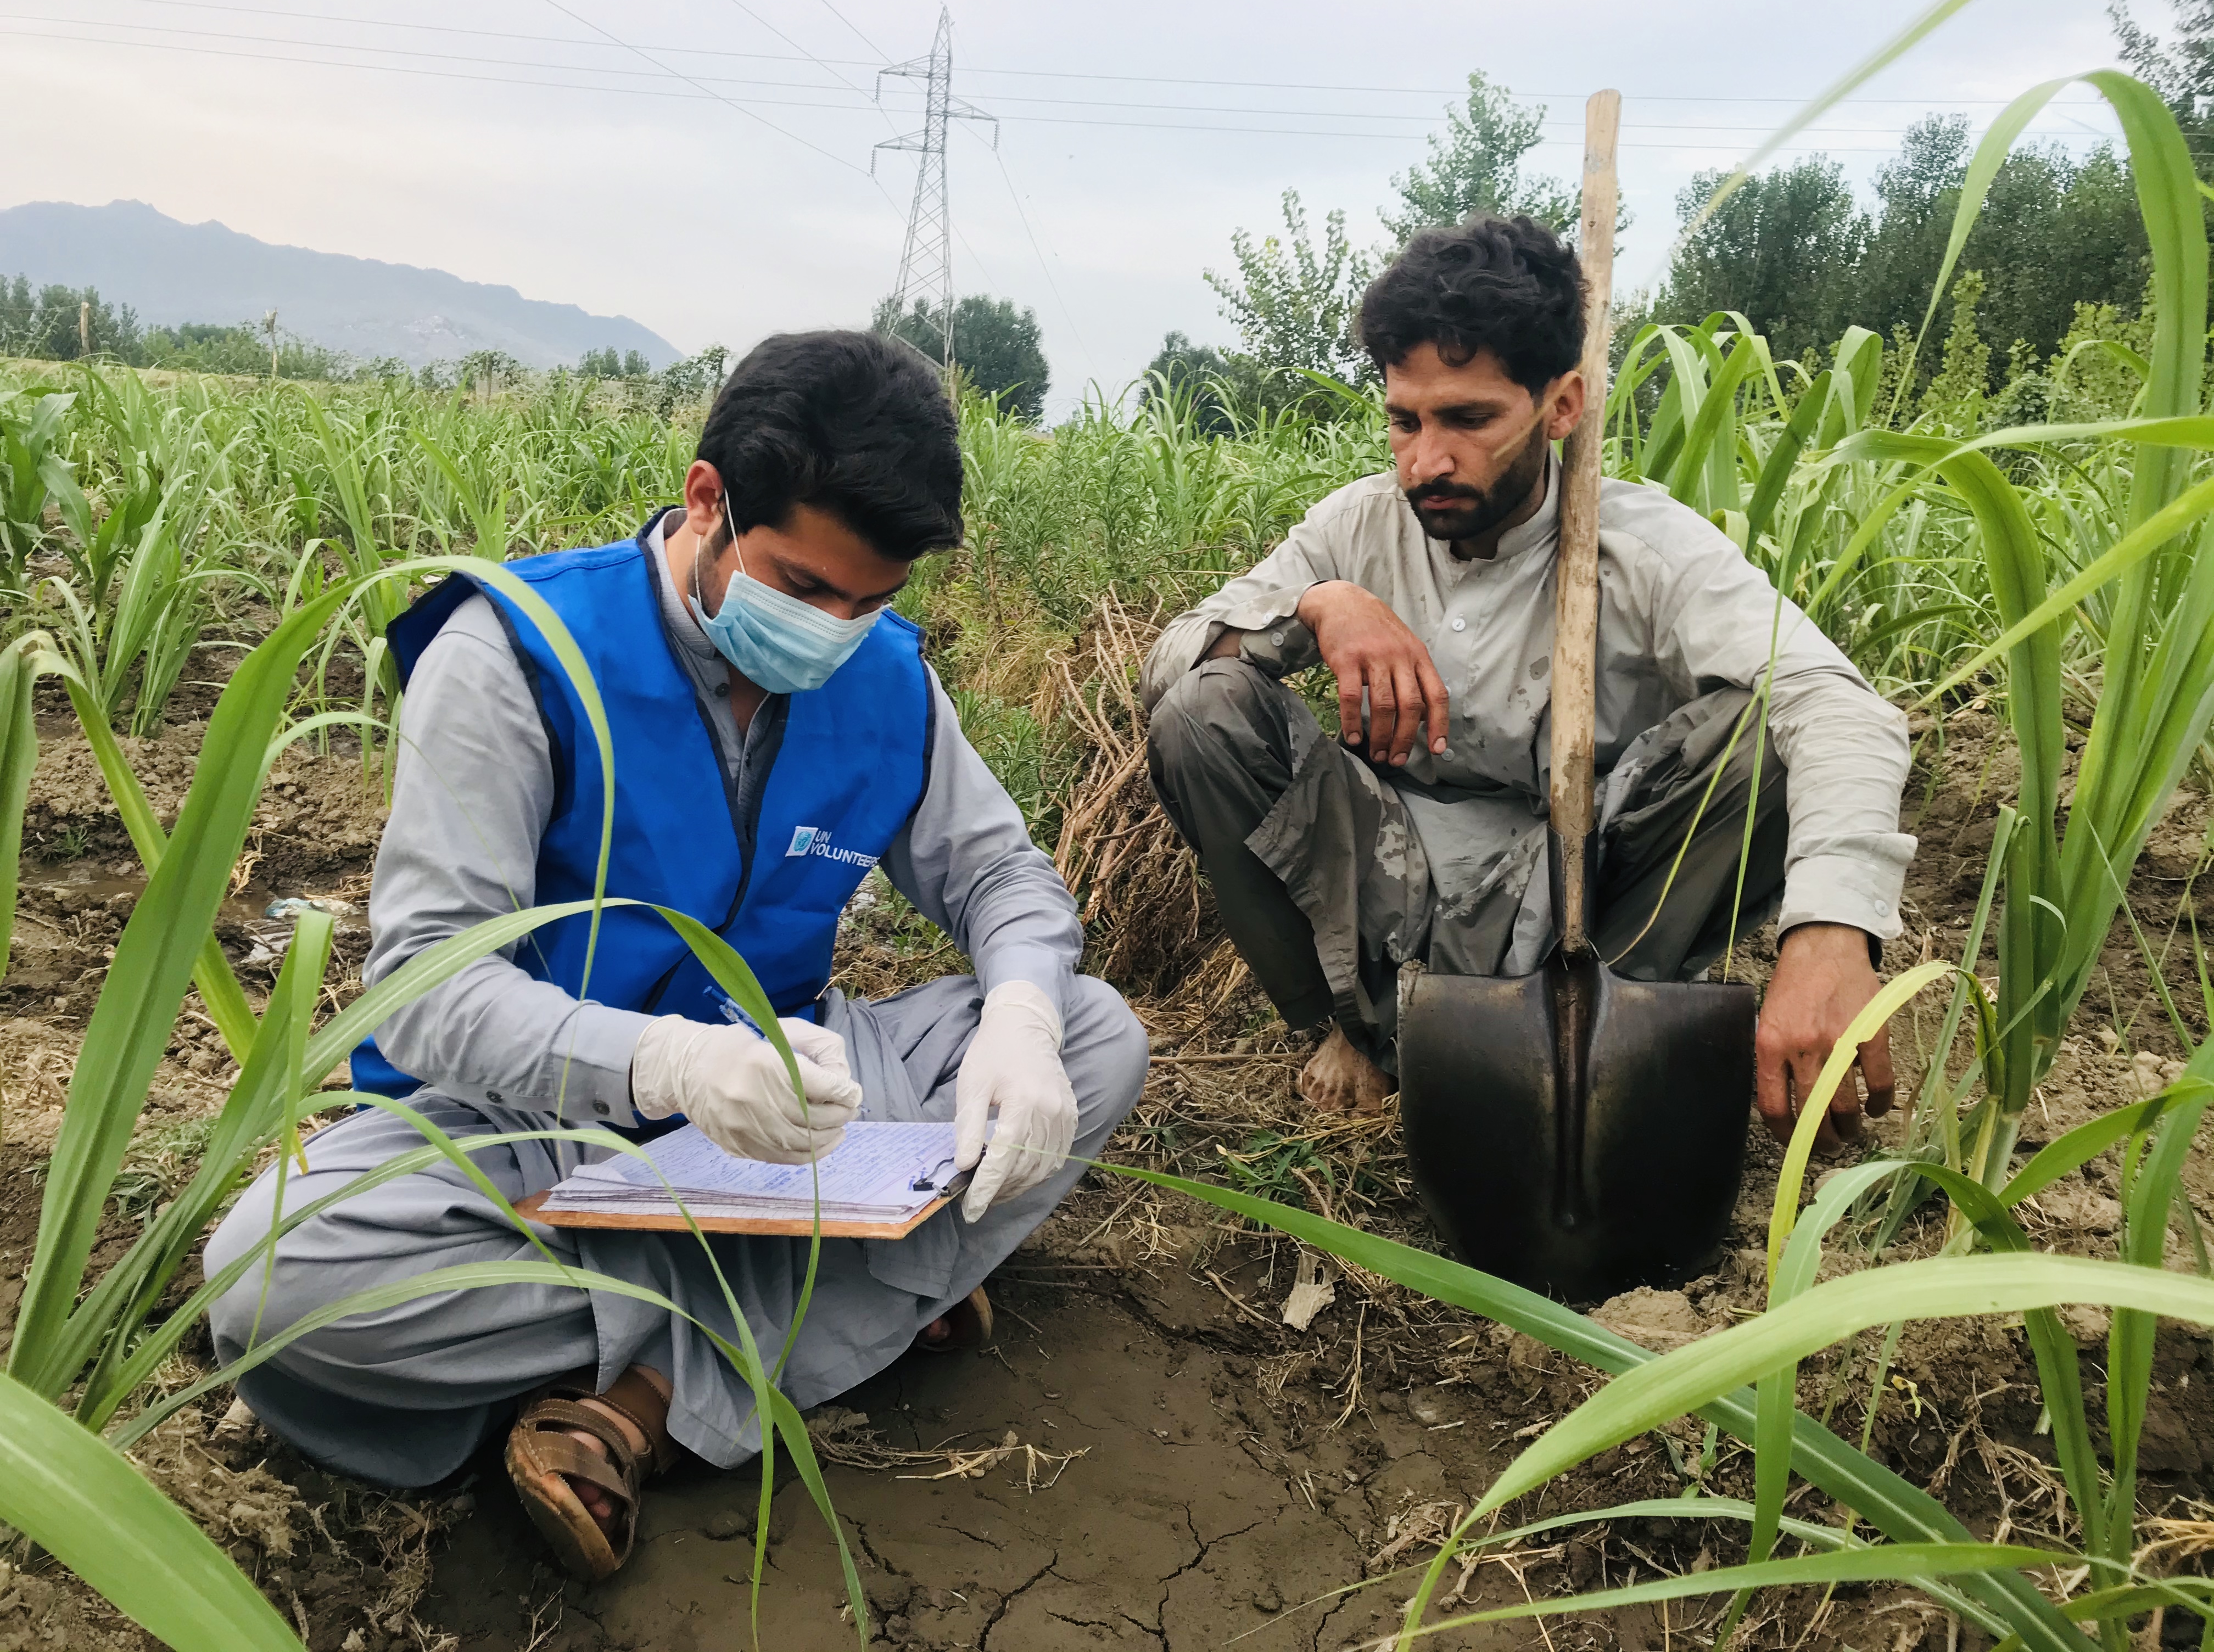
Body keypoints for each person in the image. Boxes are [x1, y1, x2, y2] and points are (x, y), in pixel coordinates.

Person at [205, 331, 1148, 1582]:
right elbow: (432, 987)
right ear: (709, 498)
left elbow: (1000, 875)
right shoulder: (517, 652)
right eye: (806, 589)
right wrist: (669, 1066)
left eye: (872, 603)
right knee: (280, 1285)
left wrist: (1023, 1019)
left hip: (796, 1105)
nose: (836, 630)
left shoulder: (886, 682)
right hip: (527, 1116)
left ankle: (649, 1389)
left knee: (1095, 1035)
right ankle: (850, 1305)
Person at [1143, 215, 1914, 1145]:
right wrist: (1322, 604)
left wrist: (1831, 929)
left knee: (1765, 742)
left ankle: (1584, 1026)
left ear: (1560, 407)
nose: (1426, 460)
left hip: (1586, 880)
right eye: (1405, 420)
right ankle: (1360, 1031)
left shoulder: (1644, 548)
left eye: (1470, 420)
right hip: (1391, 872)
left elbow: (1841, 706)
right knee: (1202, 710)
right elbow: (1171, 663)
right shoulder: (1357, 529)